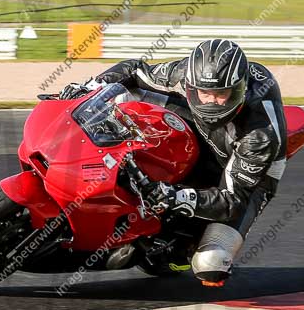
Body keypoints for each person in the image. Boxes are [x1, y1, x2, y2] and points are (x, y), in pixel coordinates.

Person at [58, 39, 287, 286]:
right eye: (204, 92)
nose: (210, 101)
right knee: (128, 95)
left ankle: (180, 250)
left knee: (210, 264)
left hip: (248, 164)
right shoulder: (188, 71)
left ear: (239, 90)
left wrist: (176, 197)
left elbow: (233, 201)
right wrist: (91, 87)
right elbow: (136, 70)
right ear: (191, 84)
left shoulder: (260, 136)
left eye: (221, 94)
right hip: (203, 127)